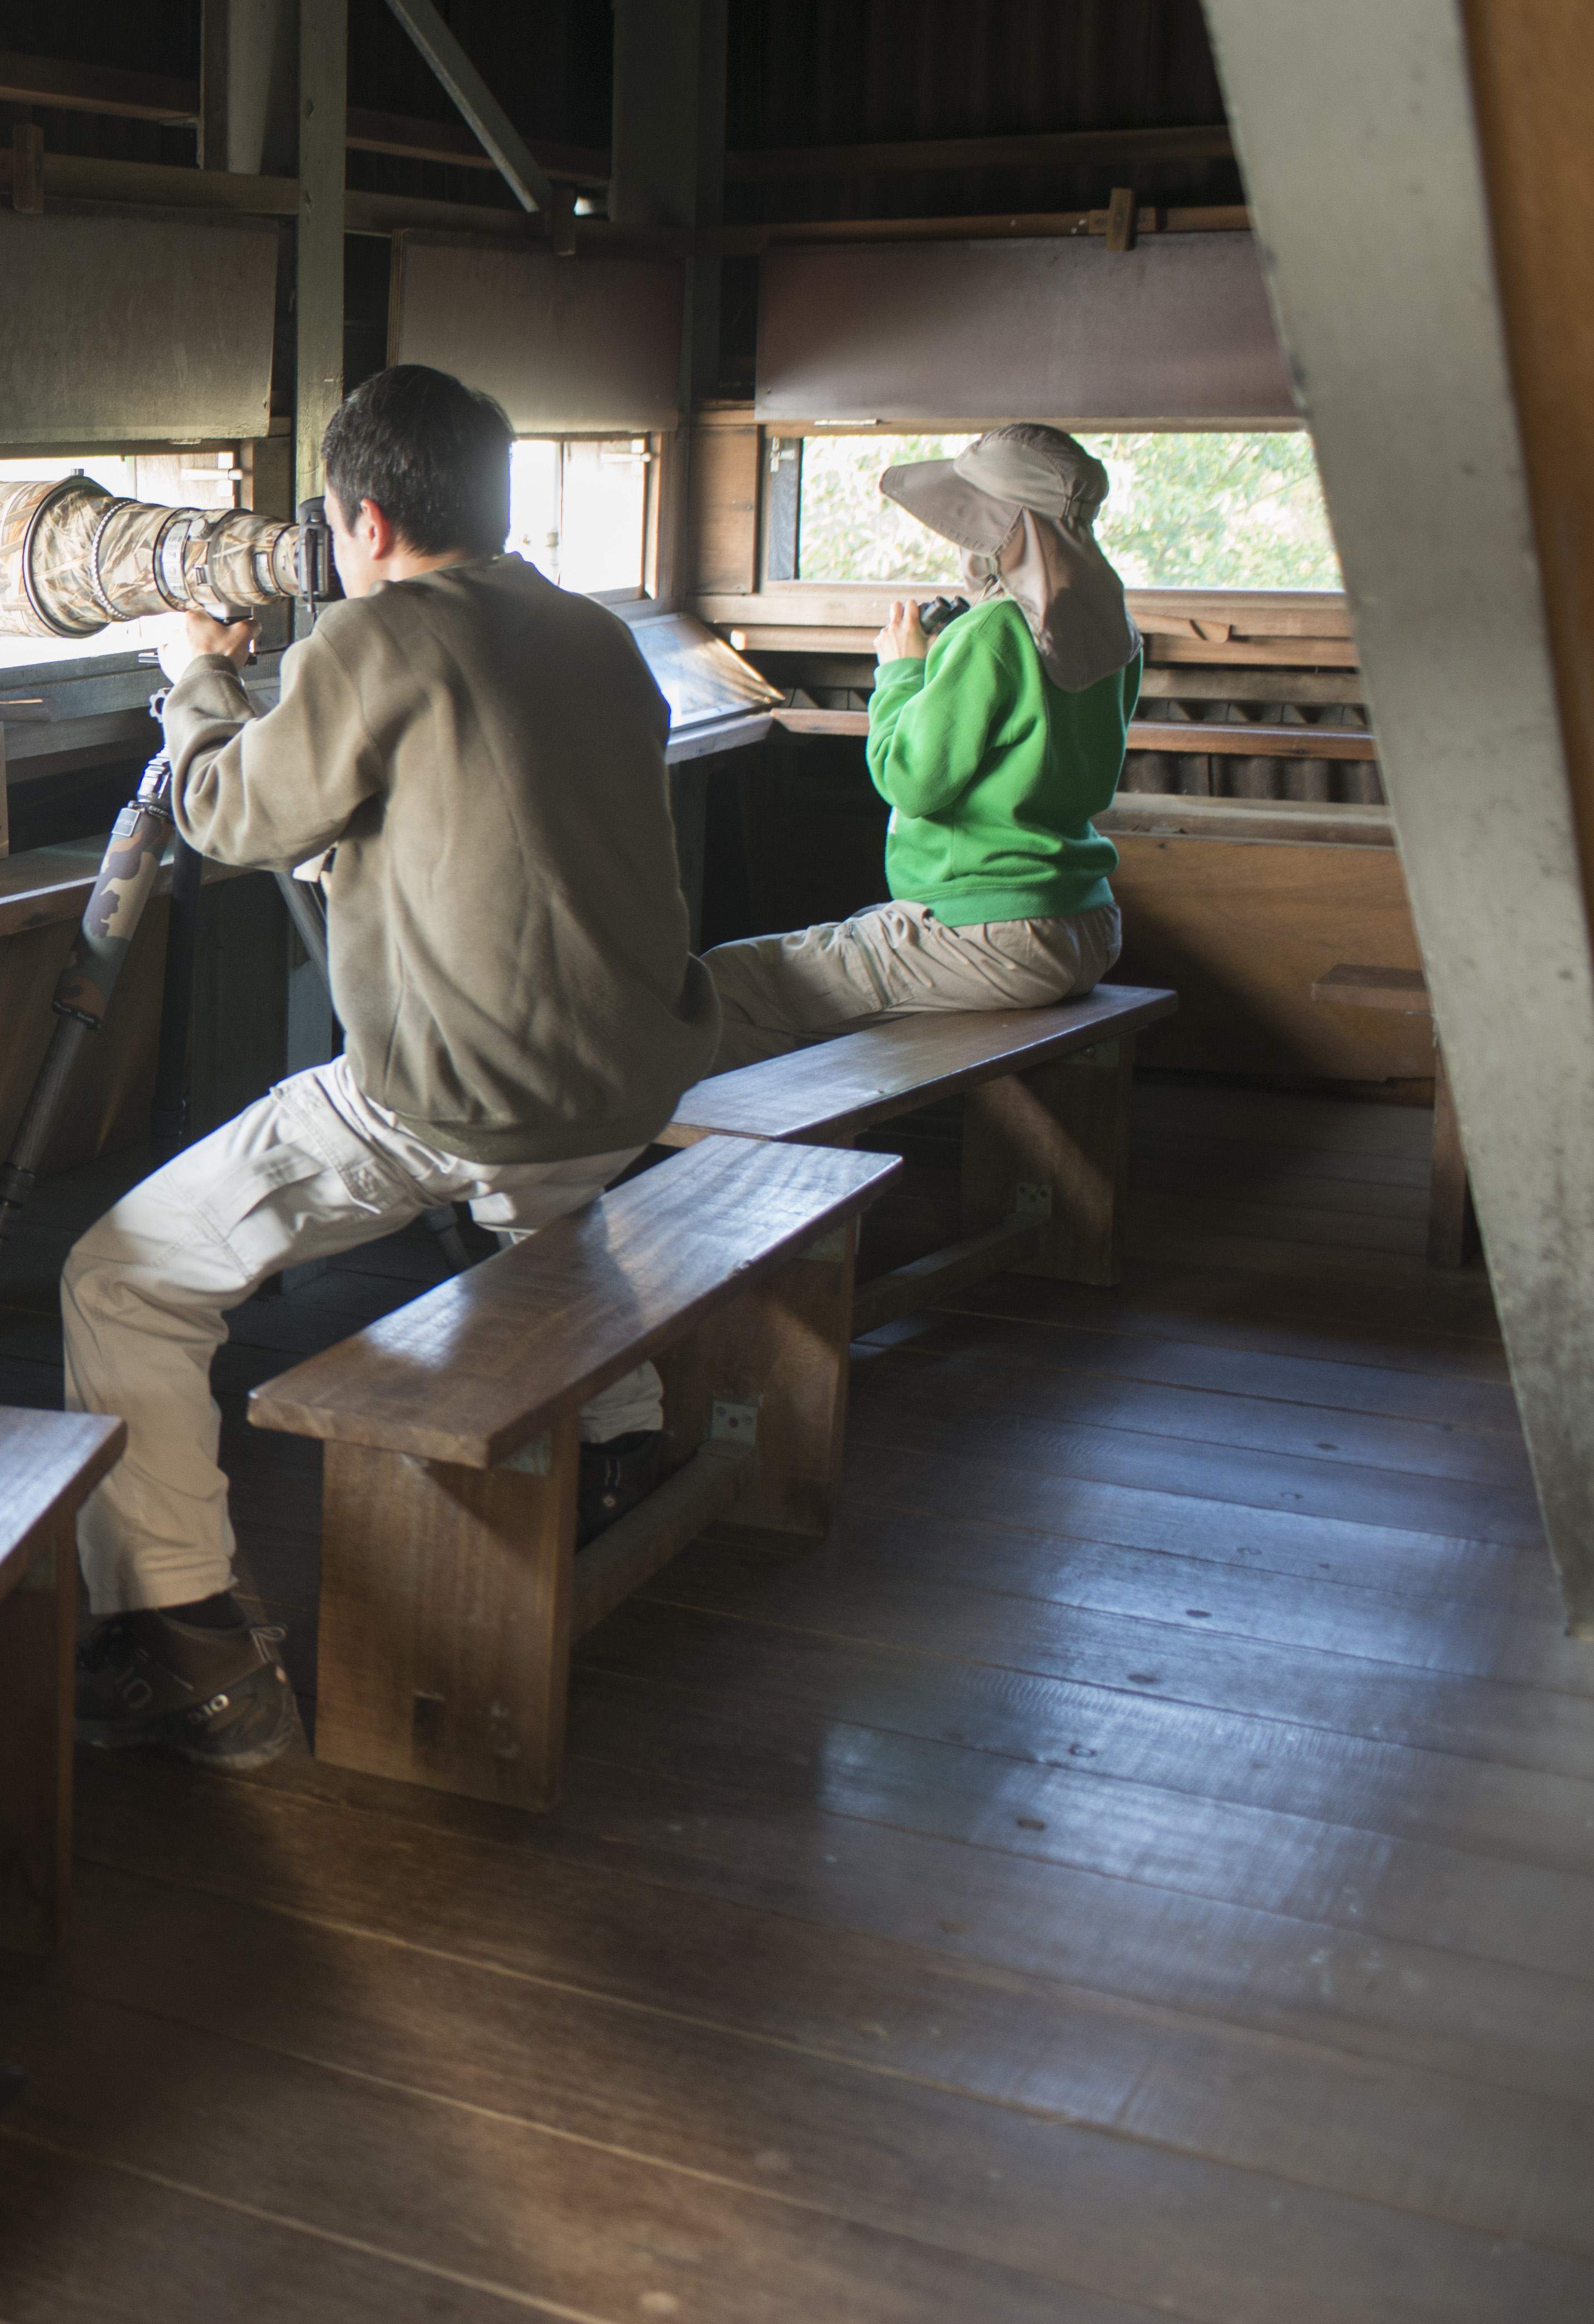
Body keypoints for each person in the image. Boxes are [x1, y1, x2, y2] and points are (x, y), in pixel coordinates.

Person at [59, 365, 720, 1772]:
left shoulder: (379, 637)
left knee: (121, 1277)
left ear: (361, 518)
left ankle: (185, 1650)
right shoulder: (592, 632)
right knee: (545, 1206)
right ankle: (614, 1456)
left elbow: (226, 814)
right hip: (630, 1070)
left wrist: (195, 676)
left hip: (462, 1094)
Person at [700, 423, 1142, 1067]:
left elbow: (908, 780)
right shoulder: (1112, 627)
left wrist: (903, 671)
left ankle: (725, 1131)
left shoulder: (990, 632)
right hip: (1086, 924)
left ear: (1001, 531)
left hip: (993, 936)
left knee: (730, 983)